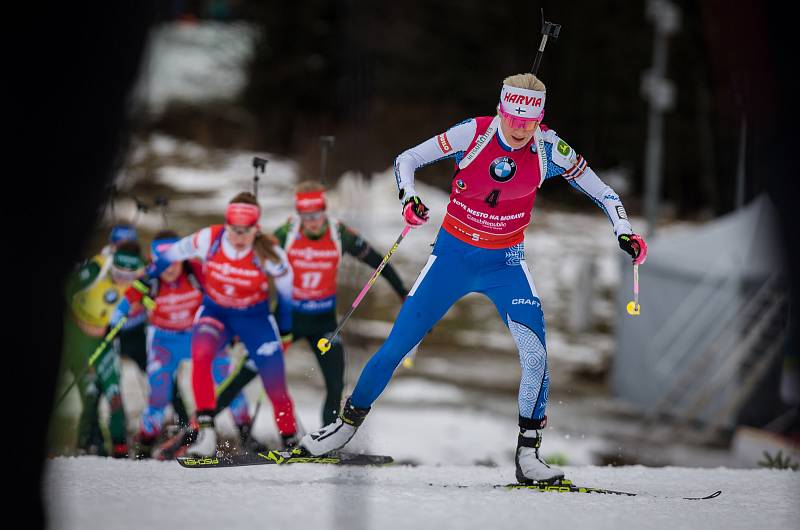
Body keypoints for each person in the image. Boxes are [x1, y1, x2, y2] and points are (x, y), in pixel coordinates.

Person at [299, 73, 648, 484]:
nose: (519, 128)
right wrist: (407, 198)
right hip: (453, 258)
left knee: (536, 354)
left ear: (540, 118)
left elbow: (604, 192)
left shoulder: (551, 148)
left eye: (528, 120)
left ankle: (529, 454)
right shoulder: (475, 133)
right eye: (513, 117)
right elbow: (407, 159)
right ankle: (344, 428)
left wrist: (624, 230)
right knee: (396, 346)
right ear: (501, 108)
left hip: (506, 263)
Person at [213, 181, 408, 448]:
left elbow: (378, 261)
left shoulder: (340, 234)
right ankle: (196, 427)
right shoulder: (287, 232)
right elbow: (252, 264)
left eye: (316, 215)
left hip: (324, 325)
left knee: (335, 381)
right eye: (306, 216)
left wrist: (402, 293)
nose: (312, 222)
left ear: (324, 211)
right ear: (299, 215)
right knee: (244, 375)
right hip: (285, 321)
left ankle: (324, 442)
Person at [124, 192, 298, 457]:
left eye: (245, 231)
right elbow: (169, 254)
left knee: (274, 380)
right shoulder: (210, 238)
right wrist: (141, 283)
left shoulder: (272, 254)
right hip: (216, 313)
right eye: (234, 230)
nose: (239, 237)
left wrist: (284, 331)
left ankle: (290, 440)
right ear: (226, 225)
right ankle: (205, 433)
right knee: (202, 353)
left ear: (256, 228)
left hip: (255, 318)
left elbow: (287, 298)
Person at [113, 231, 250, 458]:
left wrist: (235, 328)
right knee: (158, 395)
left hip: (200, 335)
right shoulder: (149, 277)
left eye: (174, 261)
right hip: (164, 340)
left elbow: (221, 298)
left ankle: (246, 437)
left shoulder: (196, 271)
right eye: (164, 262)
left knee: (227, 383)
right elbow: (127, 300)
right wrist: (118, 317)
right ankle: (145, 446)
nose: (170, 268)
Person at [60, 240, 147, 458]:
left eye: (129, 276)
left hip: (104, 341)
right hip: (79, 341)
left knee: (114, 392)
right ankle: (85, 444)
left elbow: (146, 293)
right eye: (118, 272)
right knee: (90, 393)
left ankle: (119, 449)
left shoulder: (140, 275)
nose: (122, 279)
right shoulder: (97, 268)